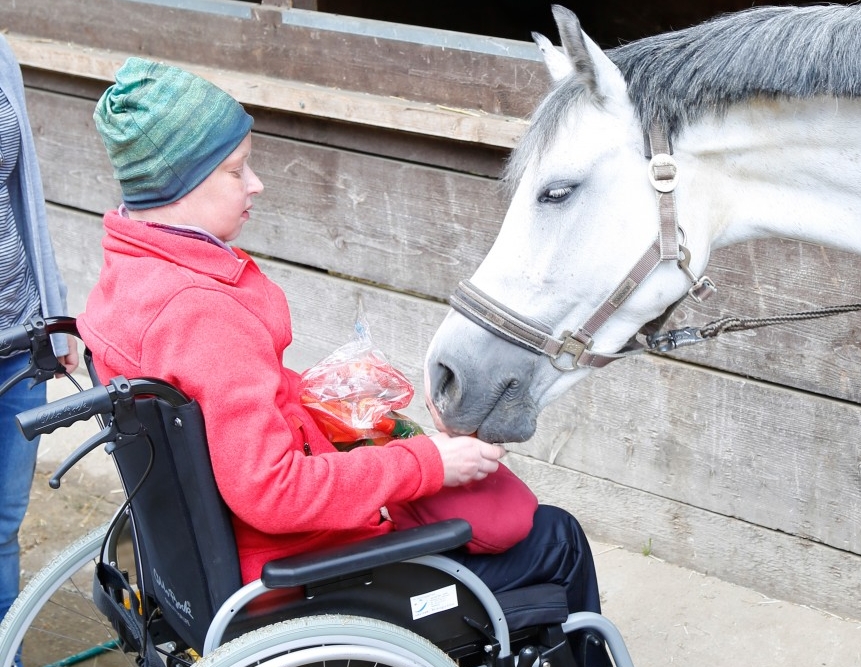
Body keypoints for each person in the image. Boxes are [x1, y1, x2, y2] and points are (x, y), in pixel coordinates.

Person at [77, 58, 610, 666]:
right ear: (181, 183)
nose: (256, 185)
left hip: (213, 567)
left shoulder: (131, 280)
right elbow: (271, 490)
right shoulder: (203, 314)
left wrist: (336, 405)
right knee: (554, 536)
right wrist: (426, 463)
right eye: (234, 171)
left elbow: (231, 409)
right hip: (298, 577)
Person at [0, 33, 79, 651]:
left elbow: (26, 192)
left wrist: (52, 315)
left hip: (15, 342)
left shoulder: (2, 58)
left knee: (2, 528)